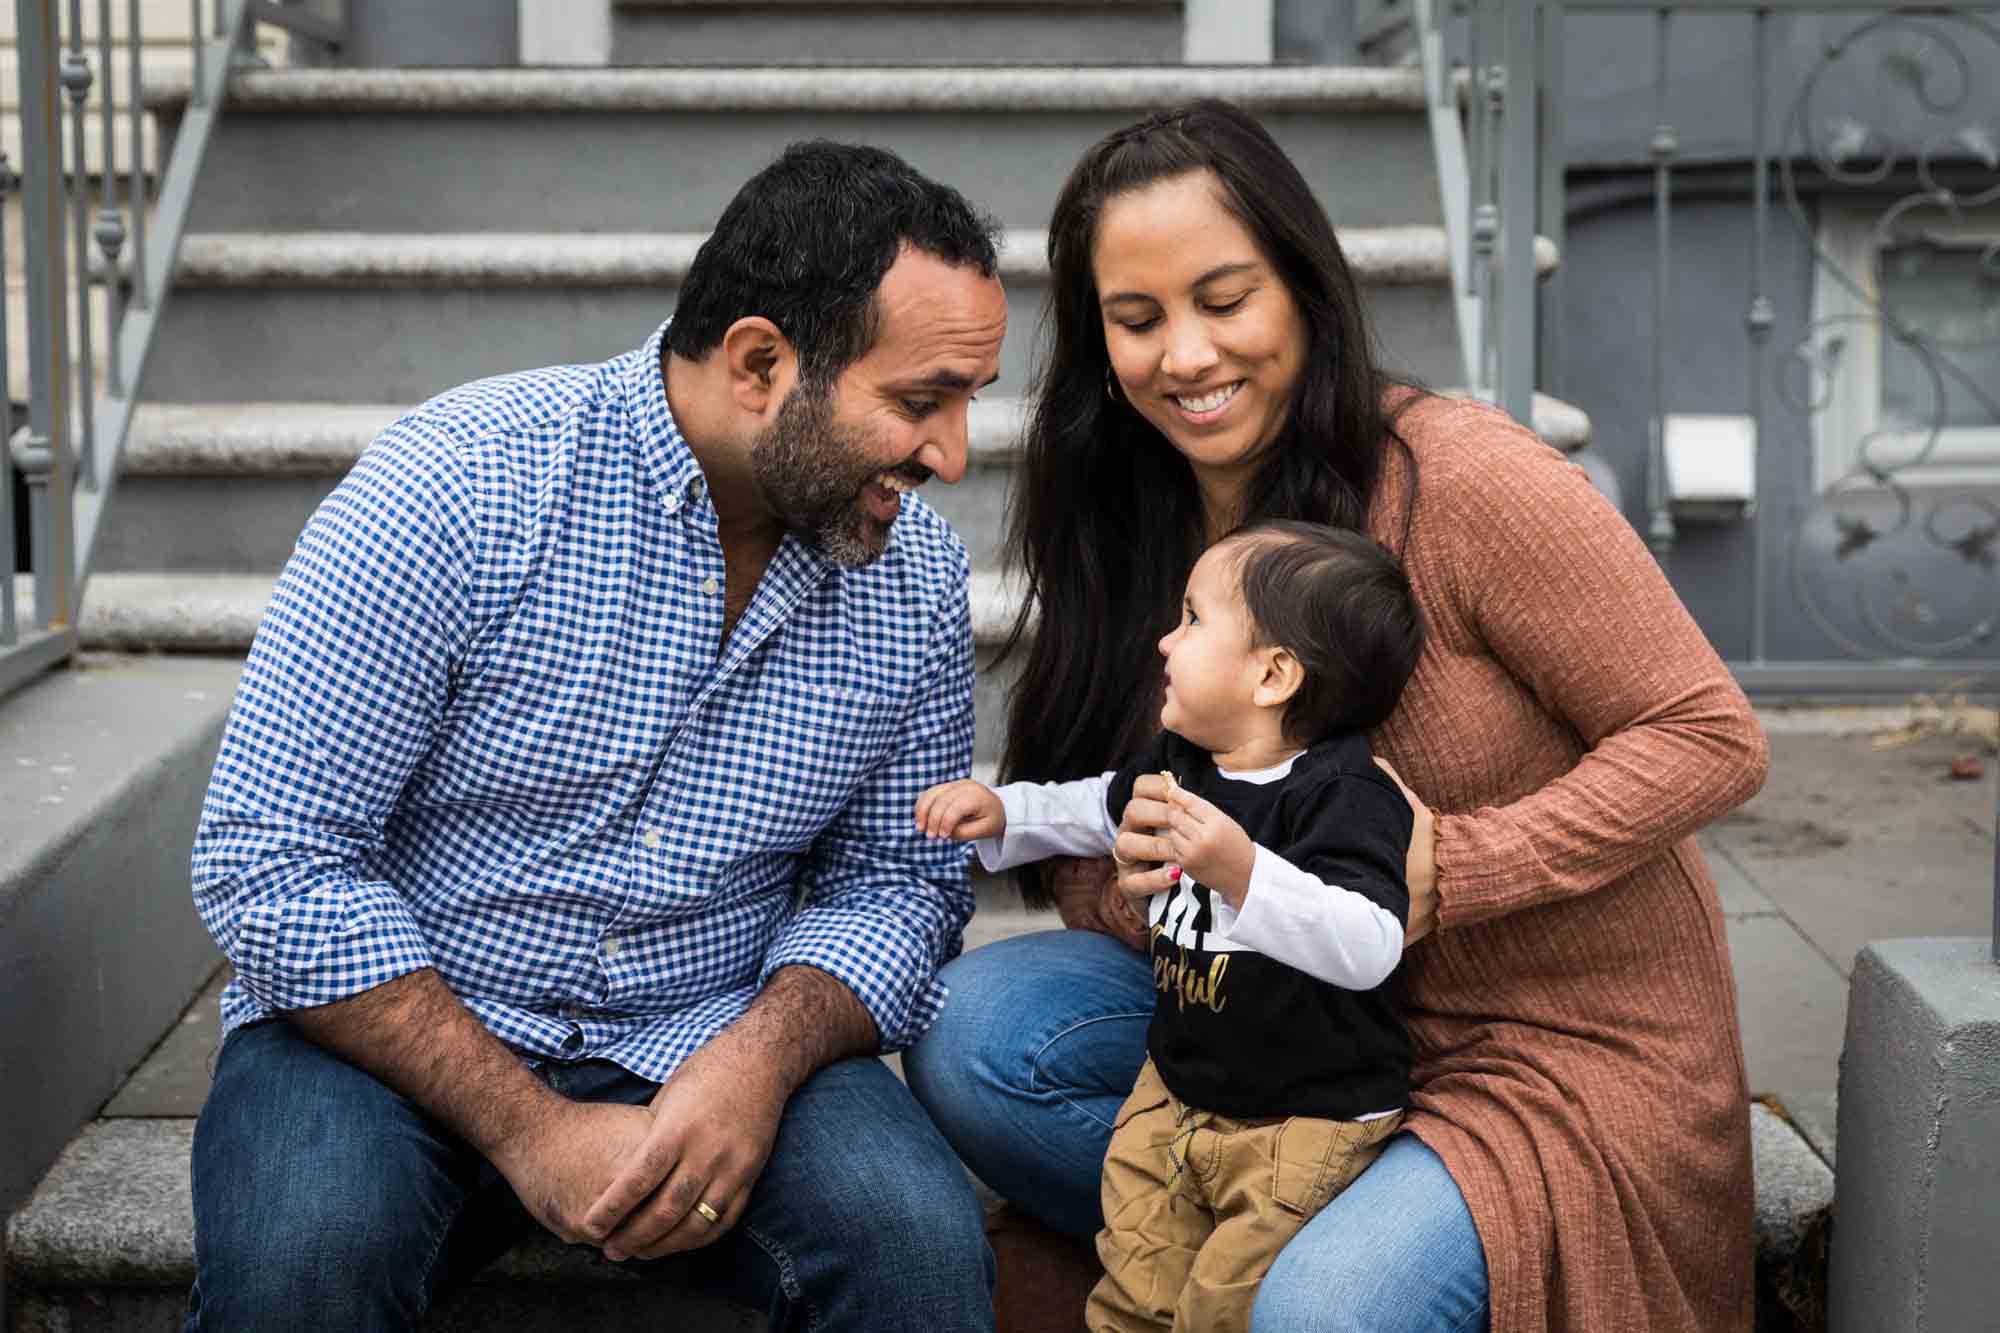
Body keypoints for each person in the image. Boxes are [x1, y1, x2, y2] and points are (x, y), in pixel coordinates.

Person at [903, 100, 1770, 1333]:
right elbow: (1096, 819)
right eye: (1137, 320)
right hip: (1288, 1044)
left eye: (1224, 299)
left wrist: (1455, 868)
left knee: (1324, 1308)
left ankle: (1291, 1263)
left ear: (1302, 289)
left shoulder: (1457, 479)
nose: (1186, 356)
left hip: (1551, 1043)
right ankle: (1242, 1234)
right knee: (973, 1037)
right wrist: (1140, 884)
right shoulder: (1127, 519)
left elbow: (1707, 734)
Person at [185, 141, 1007, 1332]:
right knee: (304, 1269)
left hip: (710, 1027)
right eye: (919, 400)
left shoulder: (910, 580)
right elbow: (271, 859)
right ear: (760, 364)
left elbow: (898, 883)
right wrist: (533, 1128)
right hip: (395, 1030)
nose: (952, 455)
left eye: (966, 402)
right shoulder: (457, 484)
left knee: (919, 1256)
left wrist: (758, 1058)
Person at [916, 521, 1424, 1333]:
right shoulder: (1186, 757)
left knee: (1226, 1308)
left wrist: (1243, 870)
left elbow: (1369, 942)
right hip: (1178, 1092)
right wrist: (1009, 811)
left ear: (1273, 674)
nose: (1163, 640)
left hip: (1299, 1122)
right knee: (1135, 1281)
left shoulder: (1344, 795)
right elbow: (1100, 803)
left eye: (1191, 620)